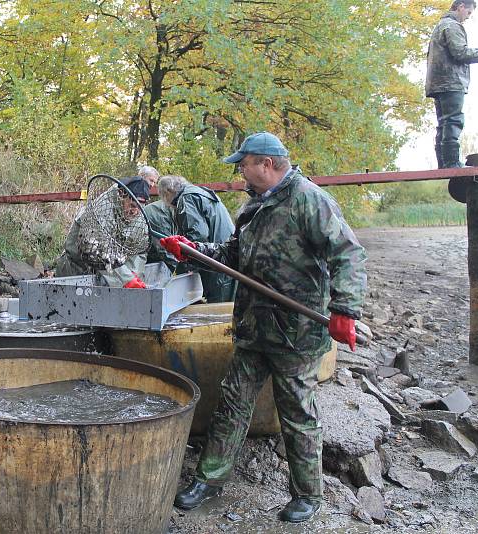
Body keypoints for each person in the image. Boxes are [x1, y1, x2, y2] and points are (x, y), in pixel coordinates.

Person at [161, 132, 366, 523]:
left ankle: (308, 493)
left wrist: (345, 309)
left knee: (297, 414)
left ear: (267, 164)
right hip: (254, 327)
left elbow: (348, 253)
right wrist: (192, 250)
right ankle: (209, 478)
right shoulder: (253, 207)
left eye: (245, 165)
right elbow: (232, 255)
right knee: (232, 403)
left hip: (296, 331)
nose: (241, 172)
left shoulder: (308, 199)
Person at [426, 0, 478, 168]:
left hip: (439, 82)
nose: (468, 17)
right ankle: (451, 162)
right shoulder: (452, 25)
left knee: (443, 123)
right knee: (453, 121)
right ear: (461, 6)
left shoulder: (442, 25)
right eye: (469, 12)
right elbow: (460, 53)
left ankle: (444, 163)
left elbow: (454, 53)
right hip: (451, 82)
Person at [56, 177, 150, 288]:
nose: (135, 211)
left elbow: (139, 250)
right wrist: (126, 278)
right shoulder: (102, 209)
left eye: (140, 207)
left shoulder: (139, 216)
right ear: (121, 195)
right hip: (75, 272)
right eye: (132, 206)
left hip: (109, 276)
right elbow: (94, 250)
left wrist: (134, 273)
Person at [158, 175, 236, 303]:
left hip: (216, 264)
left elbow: (196, 236)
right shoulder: (200, 192)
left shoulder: (187, 198)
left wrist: (182, 270)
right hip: (227, 257)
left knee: (217, 309)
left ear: (168, 192)